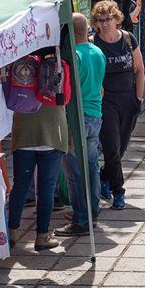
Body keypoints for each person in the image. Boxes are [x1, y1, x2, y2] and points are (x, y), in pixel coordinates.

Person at [55, 14, 106, 237]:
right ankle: (91, 211)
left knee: (75, 173)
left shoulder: (73, 55)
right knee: (91, 167)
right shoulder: (98, 52)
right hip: (95, 114)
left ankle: (81, 219)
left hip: (77, 116)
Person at [92, 0, 145, 210]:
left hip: (128, 99)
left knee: (121, 148)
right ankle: (118, 191)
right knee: (112, 147)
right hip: (107, 102)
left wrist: (139, 98)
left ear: (116, 19)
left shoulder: (127, 38)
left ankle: (104, 176)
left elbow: (139, 69)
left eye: (108, 19)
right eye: (100, 20)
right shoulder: (94, 42)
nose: (104, 24)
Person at [8, 96, 69, 251]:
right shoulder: (61, 69)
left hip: (23, 131)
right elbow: (67, 96)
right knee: (46, 189)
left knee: (20, 186)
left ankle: (11, 233)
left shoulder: (18, 69)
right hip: (52, 130)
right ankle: (42, 236)